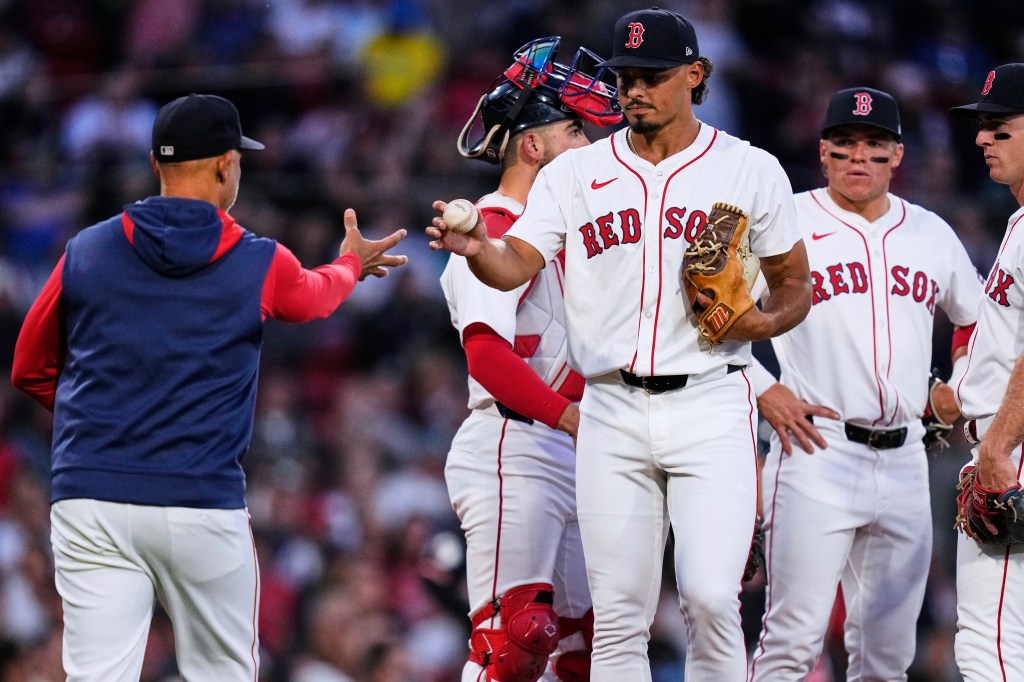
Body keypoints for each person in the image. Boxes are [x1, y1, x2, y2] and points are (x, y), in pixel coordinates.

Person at [428, 7, 812, 680]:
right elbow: (513, 266)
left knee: (709, 596)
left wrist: (759, 328)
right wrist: (479, 252)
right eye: (625, 77)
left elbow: (793, 285)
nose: (633, 90)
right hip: (600, 414)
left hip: (705, 402)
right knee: (608, 622)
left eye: (651, 76)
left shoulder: (747, 169)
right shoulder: (573, 178)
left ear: (696, 75)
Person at [10, 93, 407, 682]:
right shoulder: (258, 261)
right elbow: (315, 296)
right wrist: (350, 264)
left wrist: (95, 417)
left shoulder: (87, 251)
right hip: (200, 500)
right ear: (226, 165)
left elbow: (28, 367)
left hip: (91, 496)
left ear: (155, 163)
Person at [746, 87, 983, 681]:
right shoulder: (788, 220)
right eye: (846, 144)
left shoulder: (929, 232)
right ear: (823, 150)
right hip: (814, 454)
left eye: (874, 145)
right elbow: (712, 313)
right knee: (791, 646)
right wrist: (761, 387)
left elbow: (978, 316)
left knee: (887, 657)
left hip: (905, 457)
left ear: (896, 155)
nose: (859, 158)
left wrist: (959, 378)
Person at [440, 37, 623, 682]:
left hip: (577, 449)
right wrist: (570, 419)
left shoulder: (568, 238)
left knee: (589, 650)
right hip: (514, 441)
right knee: (513, 642)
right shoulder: (489, 224)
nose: (591, 146)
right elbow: (486, 357)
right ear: (532, 144)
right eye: (575, 130)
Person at [949, 62, 1024, 681]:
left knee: (990, 644)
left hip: (1015, 446)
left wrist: (996, 445)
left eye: (1000, 127)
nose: (982, 138)